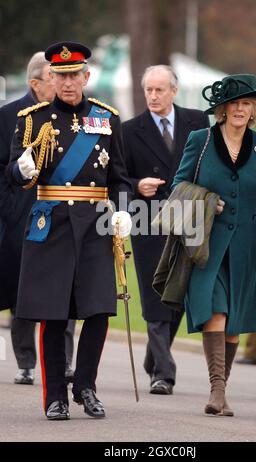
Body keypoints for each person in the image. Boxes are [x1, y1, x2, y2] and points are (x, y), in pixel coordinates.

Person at [6, 41, 132, 420]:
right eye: (60, 76)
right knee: (54, 315)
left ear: (86, 77)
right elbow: (13, 172)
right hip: (52, 226)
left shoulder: (107, 119)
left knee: (97, 311)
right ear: (50, 78)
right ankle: (55, 396)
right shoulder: (32, 120)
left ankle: (86, 387)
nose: (67, 82)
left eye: (74, 75)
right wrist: (21, 171)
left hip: (95, 225)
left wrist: (124, 212)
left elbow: (120, 178)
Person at [172, 74, 256, 416]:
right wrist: (206, 199)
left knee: (235, 319)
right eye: (233, 104)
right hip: (206, 242)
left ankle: (219, 390)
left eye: (246, 104)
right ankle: (217, 390)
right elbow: (178, 184)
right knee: (215, 308)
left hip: (248, 245)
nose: (240, 110)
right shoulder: (201, 140)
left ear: (253, 109)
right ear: (222, 109)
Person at [122, 65, 209, 395]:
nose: (153, 96)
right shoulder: (130, 130)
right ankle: (163, 373)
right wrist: (136, 185)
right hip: (149, 219)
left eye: (160, 90)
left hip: (188, 216)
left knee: (179, 293)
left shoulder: (197, 121)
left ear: (174, 90)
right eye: (148, 90)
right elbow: (118, 176)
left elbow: (207, 164)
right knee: (156, 292)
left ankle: (153, 358)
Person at [0, 52, 76, 386]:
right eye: (53, 77)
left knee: (66, 287)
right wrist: (11, 207)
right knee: (23, 288)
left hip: (63, 212)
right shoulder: (7, 116)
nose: (60, 83)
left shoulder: (72, 114)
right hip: (23, 213)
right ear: (35, 83)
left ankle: (66, 360)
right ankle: (26, 361)